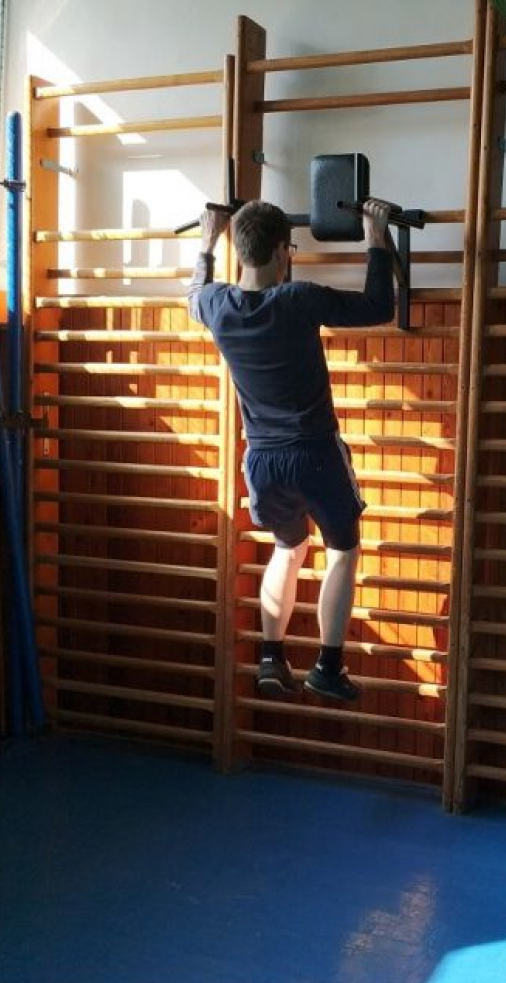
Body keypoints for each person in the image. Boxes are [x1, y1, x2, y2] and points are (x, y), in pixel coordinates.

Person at [188, 197, 393, 702]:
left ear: (240, 250)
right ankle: (328, 667)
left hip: (261, 463)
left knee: (288, 548)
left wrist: (208, 239)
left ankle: (271, 656)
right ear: (284, 251)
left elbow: (192, 291)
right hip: (315, 454)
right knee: (342, 551)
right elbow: (378, 307)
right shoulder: (298, 299)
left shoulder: (216, 305)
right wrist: (375, 235)